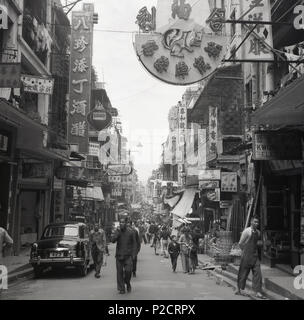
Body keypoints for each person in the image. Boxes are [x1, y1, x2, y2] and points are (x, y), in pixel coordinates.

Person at [236, 216, 266, 299]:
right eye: (255, 222)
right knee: (243, 273)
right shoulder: (247, 231)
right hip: (246, 255)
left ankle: (258, 291)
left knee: (258, 274)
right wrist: (245, 251)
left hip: (255, 256)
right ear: (251, 222)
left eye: (257, 222)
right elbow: (240, 243)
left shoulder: (258, 232)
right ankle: (240, 289)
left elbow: (256, 243)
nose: (256, 223)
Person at [111, 218, 137, 294]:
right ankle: (121, 288)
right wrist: (116, 234)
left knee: (128, 271)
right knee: (119, 273)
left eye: (123, 222)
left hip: (128, 256)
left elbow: (134, 244)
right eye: (120, 222)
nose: (121, 224)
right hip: (119, 256)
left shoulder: (131, 232)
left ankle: (127, 282)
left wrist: (134, 255)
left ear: (126, 223)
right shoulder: (117, 231)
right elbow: (112, 240)